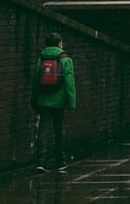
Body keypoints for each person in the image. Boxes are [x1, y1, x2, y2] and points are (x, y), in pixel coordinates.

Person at [32, 31, 76, 172]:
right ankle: (60, 161)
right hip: (59, 100)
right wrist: (71, 102)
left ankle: (41, 162)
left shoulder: (41, 58)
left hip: (43, 99)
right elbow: (69, 83)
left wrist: (35, 97)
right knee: (59, 129)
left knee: (43, 129)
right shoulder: (65, 59)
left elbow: (36, 79)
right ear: (60, 43)